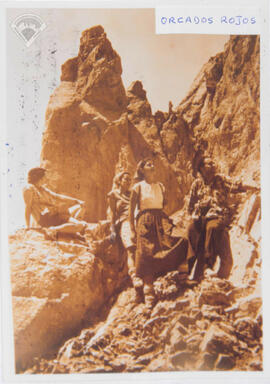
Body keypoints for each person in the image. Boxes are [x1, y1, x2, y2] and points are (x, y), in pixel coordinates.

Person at [129, 159, 190, 309]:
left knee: (181, 238)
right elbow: (131, 211)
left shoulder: (160, 186)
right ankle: (148, 290)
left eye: (152, 163)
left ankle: (181, 274)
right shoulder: (138, 187)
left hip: (161, 218)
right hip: (145, 219)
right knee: (146, 251)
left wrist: (163, 219)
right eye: (148, 164)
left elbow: (164, 204)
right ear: (142, 170)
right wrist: (132, 228)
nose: (152, 165)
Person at [187, 155, 255, 281]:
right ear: (201, 168)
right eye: (210, 164)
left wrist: (255, 187)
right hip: (200, 217)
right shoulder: (196, 184)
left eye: (213, 163)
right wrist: (194, 213)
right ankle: (191, 268)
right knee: (191, 229)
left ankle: (208, 264)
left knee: (213, 227)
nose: (213, 165)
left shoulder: (221, 179)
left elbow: (237, 185)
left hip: (217, 214)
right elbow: (190, 205)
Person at [107, 171, 143, 300]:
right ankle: (135, 277)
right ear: (119, 180)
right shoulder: (113, 195)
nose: (128, 182)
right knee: (131, 249)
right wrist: (112, 230)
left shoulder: (132, 194)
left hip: (138, 220)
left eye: (129, 180)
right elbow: (112, 214)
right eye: (125, 179)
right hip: (125, 222)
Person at [23, 167, 86, 240]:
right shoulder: (29, 189)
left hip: (54, 215)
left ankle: (69, 231)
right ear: (38, 177)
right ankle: (54, 229)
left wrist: (76, 201)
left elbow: (57, 196)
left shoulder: (42, 188)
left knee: (80, 207)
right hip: (46, 218)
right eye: (44, 177)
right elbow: (28, 207)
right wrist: (27, 226)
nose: (46, 179)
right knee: (80, 225)